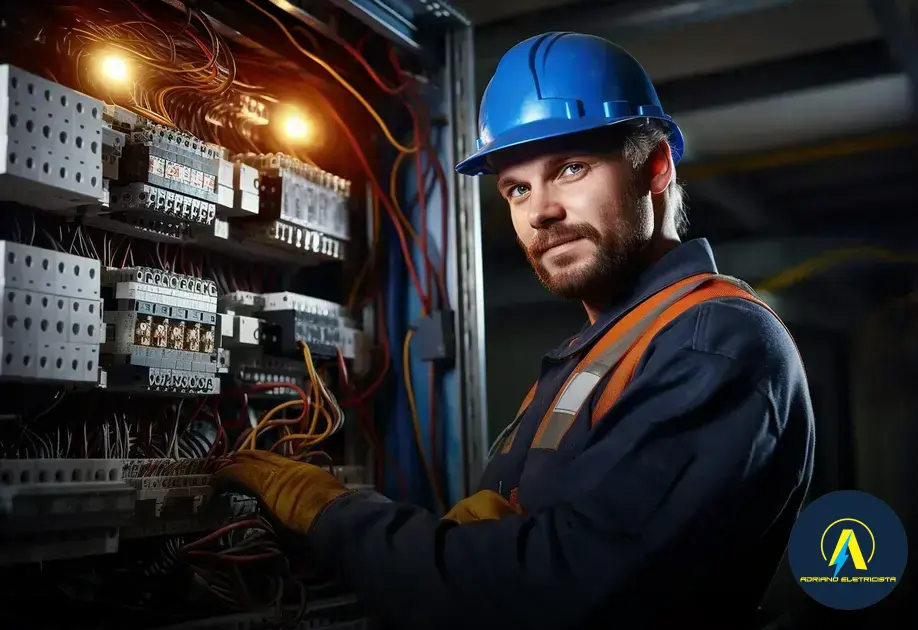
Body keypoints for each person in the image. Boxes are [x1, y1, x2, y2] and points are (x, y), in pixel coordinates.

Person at [215, 32, 815, 629]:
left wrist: (333, 517)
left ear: (656, 168)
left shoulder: (713, 340)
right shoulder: (603, 351)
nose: (540, 211)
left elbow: (563, 586)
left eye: (571, 168)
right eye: (517, 188)